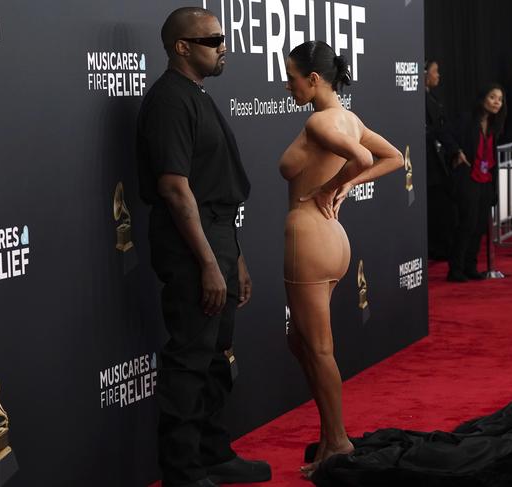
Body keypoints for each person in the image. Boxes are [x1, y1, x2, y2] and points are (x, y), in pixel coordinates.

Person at [136, 7, 271, 487]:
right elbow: (176, 189)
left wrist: (234, 258)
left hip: (216, 239)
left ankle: (213, 453)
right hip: (190, 246)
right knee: (191, 358)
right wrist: (210, 263)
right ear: (182, 48)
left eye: (222, 37)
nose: (223, 46)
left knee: (217, 354)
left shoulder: (197, 95)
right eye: (213, 39)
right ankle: (182, 470)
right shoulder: (170, 101)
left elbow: (216, 189)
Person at [278, 40, 404, 475]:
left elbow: (366, 157)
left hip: (308, 236)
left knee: (318, 347)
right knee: (302, 343)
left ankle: (337, 443)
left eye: (291, 76)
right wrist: (349, 184)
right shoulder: (349, 119)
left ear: (313, 79)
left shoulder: (318, 123)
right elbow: (392, 158)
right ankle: (330, 433)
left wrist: (335, 186)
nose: (286, 84)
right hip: (334, 239)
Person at [447, 84, 506, 282]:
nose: (497, 102)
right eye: (492, 97)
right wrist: (457, 151)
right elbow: (444, 133)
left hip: (486, 179)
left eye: (499, 99)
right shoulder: (466, 119)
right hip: (468, 177)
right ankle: (455, 269)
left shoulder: (494, 124)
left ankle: (471, 266)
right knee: (467, 223)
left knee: (480, 225)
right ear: (483, 99)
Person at [425, 60, 463, 260]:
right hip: (429, 166)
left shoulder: (433, 98)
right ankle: (437, 248)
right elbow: (437, 131)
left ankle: (443, 247)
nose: (438, 76)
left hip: (440, 164)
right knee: (437, 209)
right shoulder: (421, 100)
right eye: (435, 71)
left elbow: (443, 128)